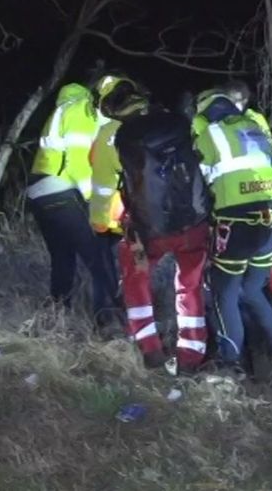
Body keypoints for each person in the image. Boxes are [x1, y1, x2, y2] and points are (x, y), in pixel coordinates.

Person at [89, 76, 212, 373]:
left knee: (136, 282)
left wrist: (101, 223)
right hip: (193, 223)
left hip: (147, 232)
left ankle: (150, 352)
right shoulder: (175, 121)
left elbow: (103, 190)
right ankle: (191, 357)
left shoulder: (111, 135)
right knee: (190, 287)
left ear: (107, 107)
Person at [191, 87, 272, 380]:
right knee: (252, 290)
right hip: (270, 220)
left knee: (223, 294)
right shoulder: (253, 129)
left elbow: (197, 188)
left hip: (234, 224)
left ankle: (230, 363)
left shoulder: (208, 135)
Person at [26, 82, 121, 330]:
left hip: (39, 192)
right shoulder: (79, 110)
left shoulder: (59, 113)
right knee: (98, 256)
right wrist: (94, 199)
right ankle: (111, 321)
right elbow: (77, 161)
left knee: (62, 257)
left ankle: (57, 318)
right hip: (61, 190)